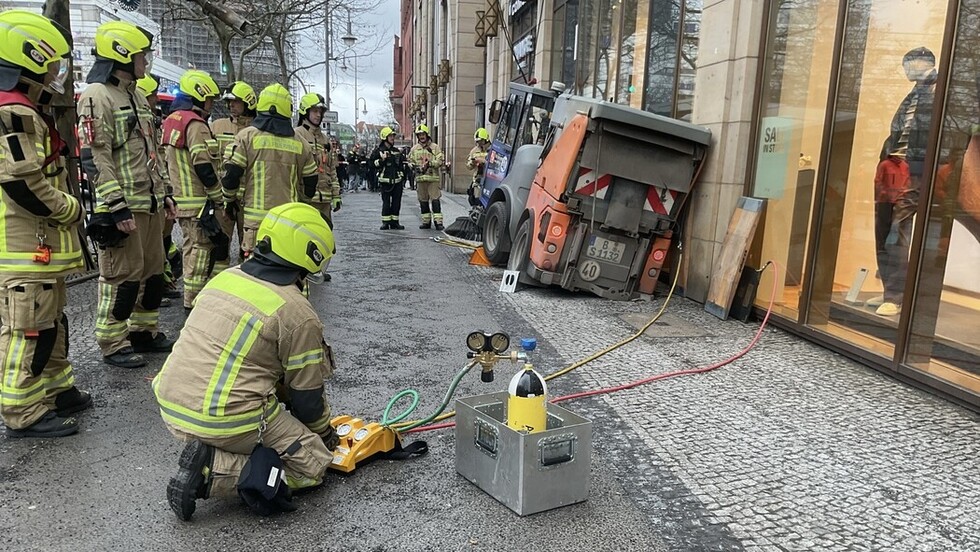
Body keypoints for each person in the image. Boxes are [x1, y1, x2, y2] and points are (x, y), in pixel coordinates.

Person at [153, 202, 339, 520]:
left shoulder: (226, 278)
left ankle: (217, 450)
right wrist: (323, 435)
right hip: (224, 417)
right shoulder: (295, 311)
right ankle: (214, 470)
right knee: (312, 464)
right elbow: (306, 398)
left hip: (171, 402)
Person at [0, 10, 91, 437]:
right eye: (52, 63)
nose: (57, 72)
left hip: (37, 246)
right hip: (22, 246)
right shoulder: (13, 113)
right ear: (30, 59)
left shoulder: (25, 109)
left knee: (51, 321)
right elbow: (23, 184)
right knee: (28, 329)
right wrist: (69, 208)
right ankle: (24, 411)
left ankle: (56, 389)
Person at [78, 20, 177, 368]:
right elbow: (94, 154)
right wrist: (115, 207)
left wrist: (165, 193)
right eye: (141, 56)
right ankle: (112, 340)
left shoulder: (135, 95)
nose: (146, 61)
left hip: (148, 201)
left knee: (153, 269)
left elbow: (151, 149)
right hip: (123, 204)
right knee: (122, 275)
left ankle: (143, 332)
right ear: (121, 55)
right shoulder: (96, 96)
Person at [874, 47, 938, 317]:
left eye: (906, 65)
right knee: (883, 225)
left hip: (916, 170)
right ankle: (891, 289)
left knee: (897, 230)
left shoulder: (941, 89)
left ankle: (897, 295)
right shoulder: (913, 94)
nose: (905, 70)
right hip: (893, 167)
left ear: (922, 62)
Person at [221, 84, 318, 259]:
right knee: (287, 267)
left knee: (255, 273)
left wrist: (228, 200)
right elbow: (310, 182)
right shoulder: (301, 143)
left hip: (256, 223)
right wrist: (302, 202)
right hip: (289, 222)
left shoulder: (246, 137)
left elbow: (231, 175)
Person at [162, 70, 225, 310]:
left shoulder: (172, 121)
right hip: (199, 202)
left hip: (183, 200)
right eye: (209, 100)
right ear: (199, 96)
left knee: (190, 250)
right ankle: (195, 303)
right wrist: (219, 196)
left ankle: (192, 297)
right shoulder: (196, 125)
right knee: (200, 252)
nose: (210, 105)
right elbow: (203, 166)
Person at [136, 74, 182, 304]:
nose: (156, 99)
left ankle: (163, 282)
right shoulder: (142, 124)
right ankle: (157, 286)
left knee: (161, 247)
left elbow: (159, 161)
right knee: (150, 252)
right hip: (145, 198)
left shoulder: (152, 123)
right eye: (153, 95)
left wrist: (166, 193)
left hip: (157, 195)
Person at [294, 93, 341, 280]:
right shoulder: (297, 135)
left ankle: (318, 268)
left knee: (324, 234)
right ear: (305, 112)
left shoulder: (325, 140)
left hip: (325, 197)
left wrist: (336, 194)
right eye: (314, 111)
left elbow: (331, 169)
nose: (318, 115)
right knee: (305, 233)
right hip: (306, 196)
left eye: (320, 111)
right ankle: (300, 268)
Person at [210, 81, 256, 262]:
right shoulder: (216, 126)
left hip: (249, 201)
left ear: (248, 103)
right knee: (219, 246)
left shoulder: (257, 131)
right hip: (223, 199)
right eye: (229, 102)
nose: (231, 105)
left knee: (249, 249)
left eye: (235, 101)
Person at [866, 148, 910, 310]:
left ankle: (895, 297)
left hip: (904, 197)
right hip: (884, 199)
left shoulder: (910, 157)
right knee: (882, 242)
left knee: (898, 243)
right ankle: (888, 292)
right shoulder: (888, 154)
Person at [408, 124, 446, 230]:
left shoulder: (435, 147)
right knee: (423, 201)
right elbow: (410, 161)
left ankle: (438, 222)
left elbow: (440, 161)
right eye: (419, 135)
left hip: (433, 179)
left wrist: (430, 163)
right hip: (420, 180)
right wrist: (413, 166)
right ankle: (426, 222)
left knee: (435, 201)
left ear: (427, 135)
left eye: (423, 134)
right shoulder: (414, 149)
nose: (421, 137)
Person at [371, 127, 407, 229]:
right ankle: (386, 222)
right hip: (385, 181)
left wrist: (403, 175)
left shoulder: (396, 151)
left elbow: (400, 164)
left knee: (396, 202)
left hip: (397, 180)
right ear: (384, 137)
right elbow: (371, 164)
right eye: (390, 136)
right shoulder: (378, 151)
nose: (392, 138)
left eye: (393, 136)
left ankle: (395, 222)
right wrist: (382, 161)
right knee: (386, 202)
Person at [466, 127, 490, 207]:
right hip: (477, 180)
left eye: (480, 141)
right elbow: (468, 166)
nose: (479, 144)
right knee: (476, 200)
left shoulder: (492, 150)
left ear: (485, 140)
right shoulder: (474, 151)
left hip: (489, 180)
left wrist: (484, 162)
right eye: (477, 142)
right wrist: (472, 162)